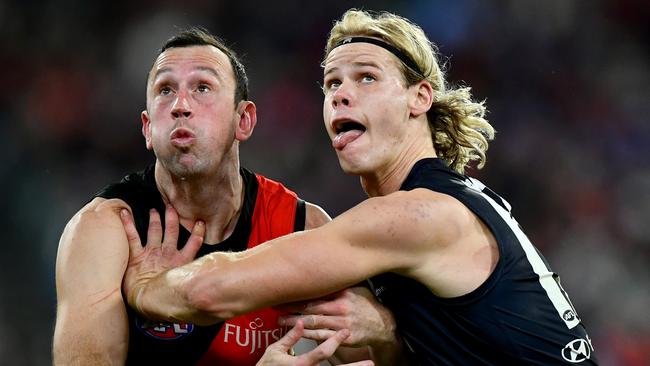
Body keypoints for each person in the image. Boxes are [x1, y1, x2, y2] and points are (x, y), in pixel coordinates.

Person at [120, 9, 599, 365]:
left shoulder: (415, 215)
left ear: (420, 97)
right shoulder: (456, 200)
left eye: (366, 77)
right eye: (330, 84)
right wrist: (395, 333)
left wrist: (143, 290)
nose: (340, 94)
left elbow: (211, 291)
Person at [52, 27, 399, 365]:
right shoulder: (104, 230)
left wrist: (386, 329)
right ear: (147, 128)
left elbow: (373, 359)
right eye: (165, 90)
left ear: (244, 120)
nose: (181, 105)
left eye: (202, 87)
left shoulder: (298, 225)